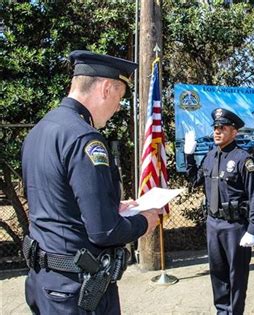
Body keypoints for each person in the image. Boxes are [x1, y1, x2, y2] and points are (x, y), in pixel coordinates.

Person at [21, 50, 160, 314]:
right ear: (106, 88)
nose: (118, 108)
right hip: (76, 290)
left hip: (44, 281)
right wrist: (144, 221)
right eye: (119, 98)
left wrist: (112, 206)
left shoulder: (40, 131)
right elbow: (104, 231)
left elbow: (57, 202)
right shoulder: (85, 139)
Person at [184, 108, 254, 315]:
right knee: (217, 273)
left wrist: (253, 228)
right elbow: (194, 180)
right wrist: (189, 155)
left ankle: (235, 312)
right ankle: (222, 311)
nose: (217, 132)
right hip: (213, 224)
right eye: (215, 128)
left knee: (236, 275)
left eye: (222, 128)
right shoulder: (210, 156)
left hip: (235, 227)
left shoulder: (242, 159)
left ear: (234, 132)